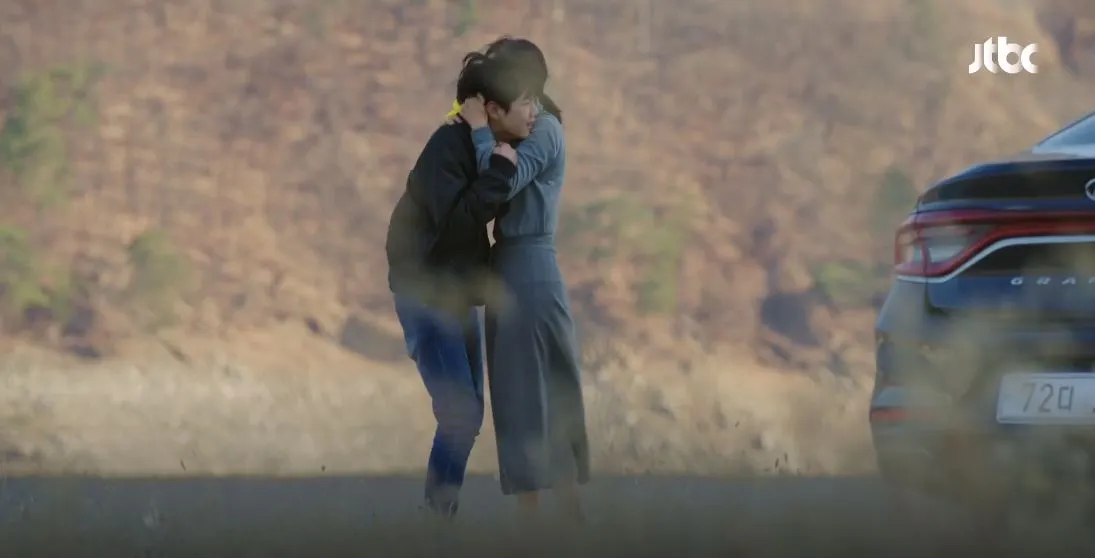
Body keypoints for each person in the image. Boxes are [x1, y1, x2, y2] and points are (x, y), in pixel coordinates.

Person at [385, 52, 539, 519]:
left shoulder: (479, 141)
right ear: (491, 109)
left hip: (454, 294)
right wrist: (499, 171)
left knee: (468, 417)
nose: (534, 111)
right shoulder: (448, 148)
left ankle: (439, 515)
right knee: (460, 413)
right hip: (426, 293)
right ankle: (435, 518)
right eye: (525, 101)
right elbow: (454, 226)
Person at [452, 37, 591, 522]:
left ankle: (566, 520)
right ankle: (537, 526)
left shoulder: (544, 130)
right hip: (508, 266)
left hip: (530, 265)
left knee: (545, 392)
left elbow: (504, 181)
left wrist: (480, 131)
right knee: (516, 396)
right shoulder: (517, 128)